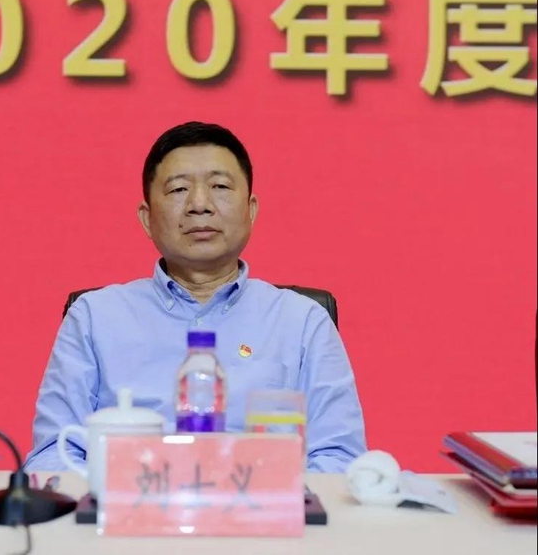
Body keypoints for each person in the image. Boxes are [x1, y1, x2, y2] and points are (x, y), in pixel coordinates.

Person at [25, 121, 366, 473]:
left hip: (264, 507)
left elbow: (338, 458)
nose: (199, 204)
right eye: (178, 189)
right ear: (147, 218)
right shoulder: (94, 318)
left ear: (250, 210)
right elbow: (52, 457)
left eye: (219, 186)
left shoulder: (303, 322)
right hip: (126, 505)